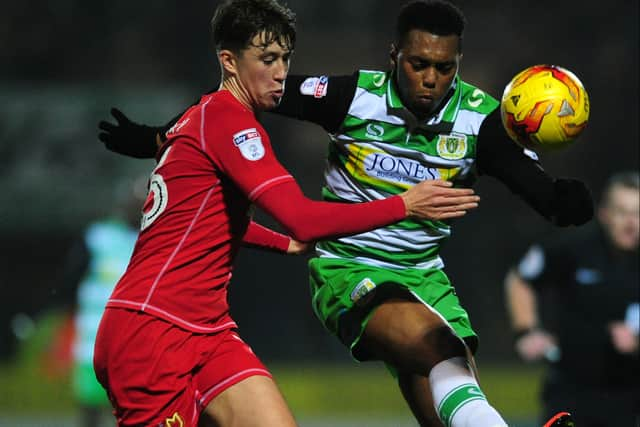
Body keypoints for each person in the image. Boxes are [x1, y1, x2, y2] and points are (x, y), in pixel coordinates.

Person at [98, 1, 592, 425]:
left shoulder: (479, 118)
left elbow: (530, 184)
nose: (431, 78)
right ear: (394, 56)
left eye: (445, 67)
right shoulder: (331, 101)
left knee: (449, 378)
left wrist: (561, 200)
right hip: (335, 272)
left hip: (405, 283)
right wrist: (406, 203)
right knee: (440, 351)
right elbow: (289, 196)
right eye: (419, 63)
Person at [505, 171, 639, 427]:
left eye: (638, 213)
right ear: (605, 214)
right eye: (622, 212)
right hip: (569, 392)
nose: (631, 223)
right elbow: (520, 278)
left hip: (627, 398)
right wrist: (526, 330)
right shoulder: (575, 250)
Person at [68, 178, 143, 427]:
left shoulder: (157, 237)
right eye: (135, 203)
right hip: (93, 343)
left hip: (137, 343)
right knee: (91, 409)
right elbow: (70, 280)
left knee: (137, 409)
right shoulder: (99, 238)